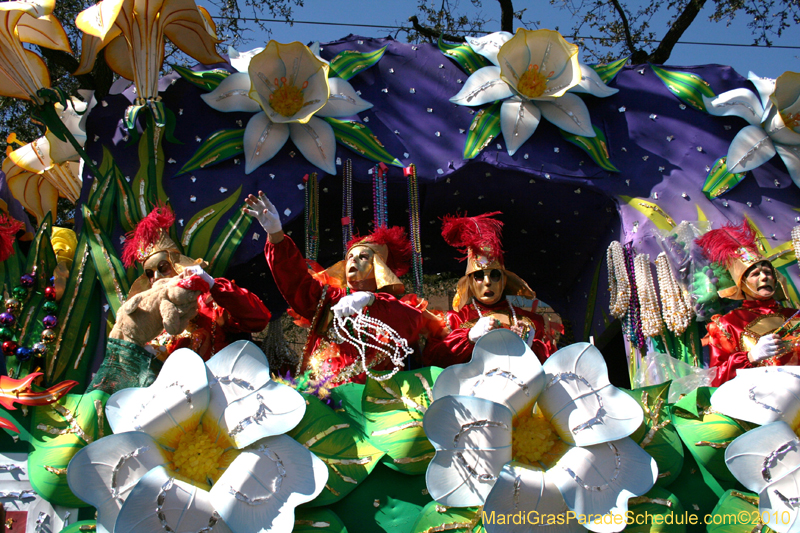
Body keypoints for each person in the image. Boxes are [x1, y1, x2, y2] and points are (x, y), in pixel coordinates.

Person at [244, 191, 439, 385]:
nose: (353, 261)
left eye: (363, 257)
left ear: (379, 267)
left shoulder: (396, 308)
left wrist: (371, 300)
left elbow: (411, 321)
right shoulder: (331, 297)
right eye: (350, 258)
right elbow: (296, 282)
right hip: (325, 395)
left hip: (375, 400)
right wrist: (276, 235)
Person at [120, 204, 271, 361]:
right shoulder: (152, 319)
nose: (157, 277)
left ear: (176, 265)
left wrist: (213, 285)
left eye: (163, 267)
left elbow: (258, 319)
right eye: (150, 274)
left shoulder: (209, 301)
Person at [422, 212, 556, 367]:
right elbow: (430, 360)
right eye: (479, 276)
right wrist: (468, 337)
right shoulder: (452, 321)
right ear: (470, 282)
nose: (487, 282)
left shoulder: (532, 322)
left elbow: (554, 366)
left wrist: (532, 347)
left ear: (504, 280)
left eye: (494, 275)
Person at [698, 220, 798, 386]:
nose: (764, 277)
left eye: (768, 272)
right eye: (755, 274)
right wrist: (751, 356)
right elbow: (715, 379)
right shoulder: (726, 325)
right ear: (741, 283)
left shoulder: (794, 315)